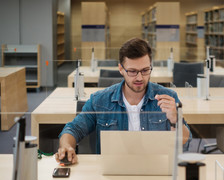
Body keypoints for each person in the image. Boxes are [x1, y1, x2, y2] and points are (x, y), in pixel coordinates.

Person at [56, 37, 192, 164]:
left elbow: (186, 141)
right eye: (132, 71)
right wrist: (66, 147)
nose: (139, 77)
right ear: (121, 68)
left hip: (156, 169)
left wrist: (176, 120)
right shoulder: (100, 100)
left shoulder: (167, 97)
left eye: (145, 70)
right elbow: (73, 129)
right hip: (113, 170)